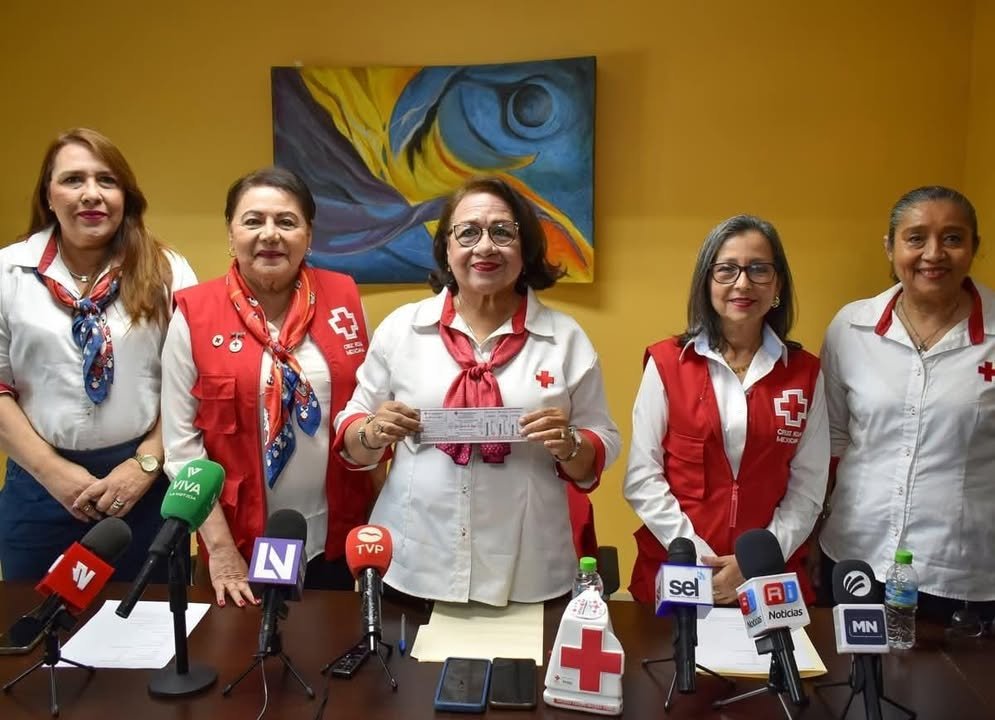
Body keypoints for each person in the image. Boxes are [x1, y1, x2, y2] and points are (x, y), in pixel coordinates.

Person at [332, 176, 620, 606]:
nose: (484, 247)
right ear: (447, 249)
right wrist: (372, 431)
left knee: (522, 675)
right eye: (468, 232)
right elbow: (352, 428)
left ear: (526, 248)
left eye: (502, 232)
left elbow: (603, 442)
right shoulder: (402, 329)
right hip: (413, 562)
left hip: (529, 568)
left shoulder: (565, 339)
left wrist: (570, 443)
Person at [161, 167, 374, 607]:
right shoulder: (194, 314)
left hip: (331, 534)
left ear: (308, 236)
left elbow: (365, 409)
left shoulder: (345, 299)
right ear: (231, 233)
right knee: (240, 659)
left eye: (287, 222)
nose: (270, 235)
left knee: (327, 653)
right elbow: (182, 447)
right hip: (237, 539)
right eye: (253, 221)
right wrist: (219, 552)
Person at [0, 128, 197, 581]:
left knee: (150, 629)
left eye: (106, 180)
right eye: (73, 180)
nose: (91, 195)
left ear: (125, 195)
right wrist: (54, 473)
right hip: (39, 484)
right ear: (48, 195)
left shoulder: (166, 269)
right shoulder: (10, 272)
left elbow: (189, 382)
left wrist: (146, 464)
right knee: (33, 632)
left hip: (145, 484)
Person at [624, 215, 829, 605]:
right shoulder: (667, 362)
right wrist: (703, 561)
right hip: (678, 565)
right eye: (726, 270)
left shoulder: (804, 374)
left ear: (778, 284)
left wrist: (753, 563)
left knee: (773, 667)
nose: (743, 283)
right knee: (670, 666)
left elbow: (809, 487)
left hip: (770, 575)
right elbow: (642, 477)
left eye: (758, 269)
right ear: (706, 282)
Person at [818, 186, 995, 625]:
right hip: (853, 557)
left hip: (960, 575)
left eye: (952, 238)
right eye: (916, 238)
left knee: (949, 694)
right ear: (890, 246)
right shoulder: (851, 327)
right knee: (846, 690)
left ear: (975, 246)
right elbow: (832, 440)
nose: (933, 253)